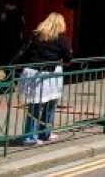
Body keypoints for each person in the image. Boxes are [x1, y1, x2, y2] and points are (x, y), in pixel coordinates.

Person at [17, 12, 72, 146]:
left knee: (34, 105)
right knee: (50, 104)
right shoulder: (61, 39)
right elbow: (68, 58)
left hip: (32, 73)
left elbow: (26, 52)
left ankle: (31, 135)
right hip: (49, 75)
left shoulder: (36, 36)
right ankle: (43, 133)